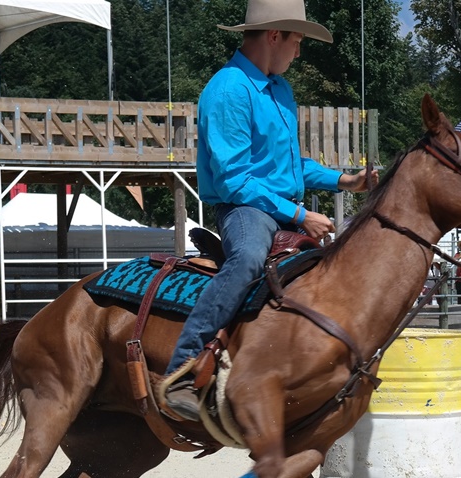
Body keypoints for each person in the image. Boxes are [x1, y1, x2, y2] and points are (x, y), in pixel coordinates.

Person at [163, 1, 376, 421]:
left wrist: (344, 181)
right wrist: (300, 217)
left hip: (279, 205)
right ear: (275, 36)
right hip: (244, 208)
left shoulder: (279, 89)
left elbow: (289, 166)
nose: (299, 52)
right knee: (246, 260)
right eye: (296, 41)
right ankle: (183, 370)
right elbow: (234, 180)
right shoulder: (228, 89)